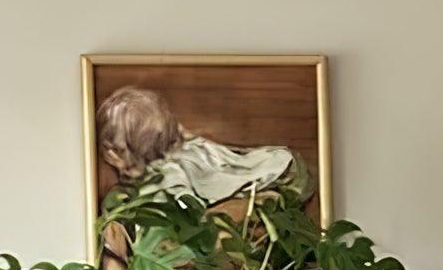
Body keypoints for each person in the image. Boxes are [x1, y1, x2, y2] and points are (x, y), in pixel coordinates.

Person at [96, 86, 312, 210]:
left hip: (282, 175)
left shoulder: (169, 173)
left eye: (118, 150)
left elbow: (187, 208)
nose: (111, 157)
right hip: (278, 165)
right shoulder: (181, 147)